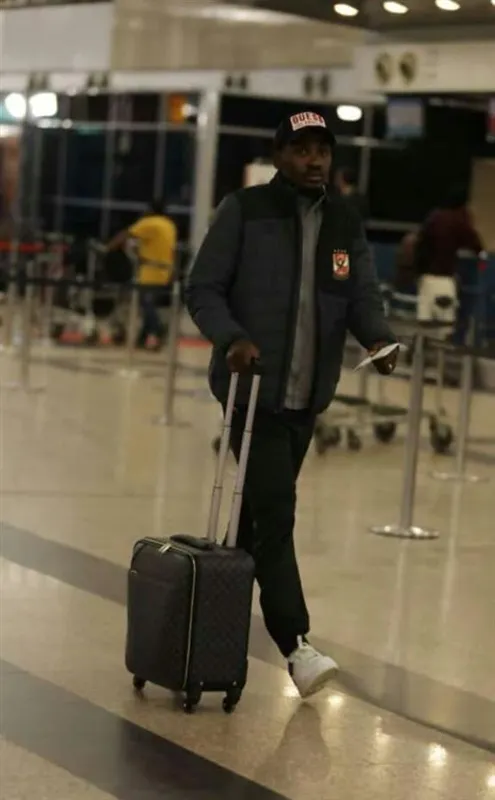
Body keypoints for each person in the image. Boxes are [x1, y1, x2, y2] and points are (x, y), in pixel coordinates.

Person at [186, 110, 398, 699]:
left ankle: (209, 631)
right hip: (251, 393)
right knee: (278, 515)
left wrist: (378, 339)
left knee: (256, 522)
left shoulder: (343, 221)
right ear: (279, 156)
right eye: (301, 150)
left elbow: (361, 295)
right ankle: (296, 646)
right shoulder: (245, 210)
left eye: (322, 151)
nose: (314, 161)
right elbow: (202, 287)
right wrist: (232, 338)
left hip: (307, 398)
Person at [106, 200, 177, 350]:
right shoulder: (169, 225)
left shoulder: (150, 223)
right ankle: (143, 337)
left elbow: (126, 234)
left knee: (146, 304)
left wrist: (109, 247)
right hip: (165, 270)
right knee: (147, 304)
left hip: (150, 270)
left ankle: (157, 330)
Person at [415, 186, 483, 325]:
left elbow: (421, 244)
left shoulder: (434, 218)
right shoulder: (458, 220)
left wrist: (418, 270)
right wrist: (481, 253)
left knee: (424, 320)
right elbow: (472, 240)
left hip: (426, 276)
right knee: (445, 322)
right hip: (445, 277)